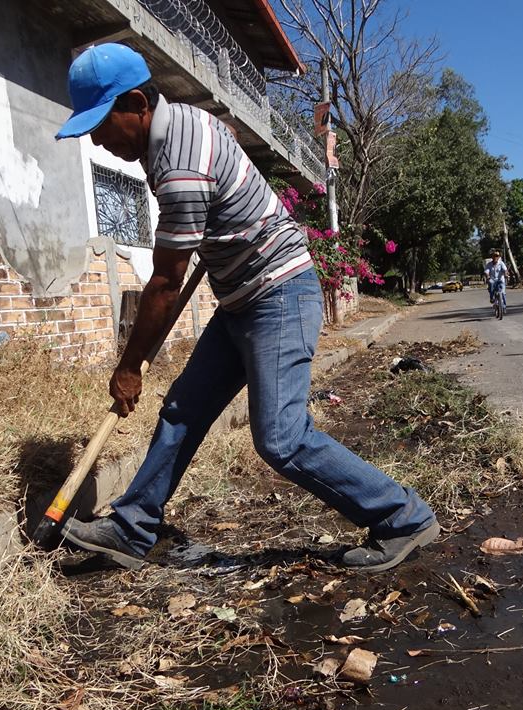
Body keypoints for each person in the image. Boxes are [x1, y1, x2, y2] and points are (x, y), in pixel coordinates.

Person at [53, 44, 439, 572]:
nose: (98, 138)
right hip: (242, 297)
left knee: (281, 438)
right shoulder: (182, 122)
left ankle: (404, 519)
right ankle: (132, 525)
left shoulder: (178, 166)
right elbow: (223, 140)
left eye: (103, 123)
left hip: (278, 292)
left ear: (139, 103)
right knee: (183, 410)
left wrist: (129, 366)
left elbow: (166, 282)